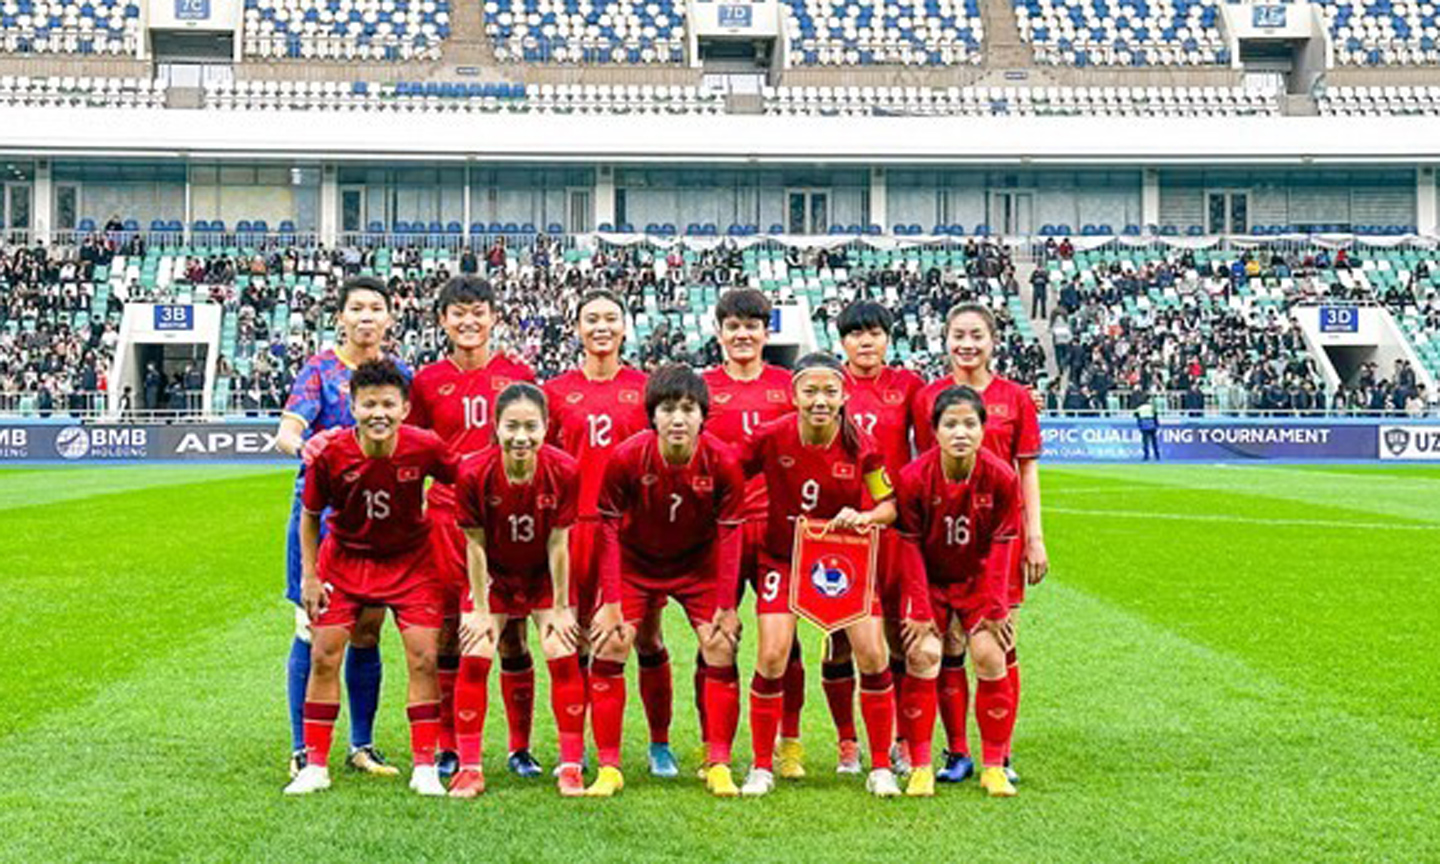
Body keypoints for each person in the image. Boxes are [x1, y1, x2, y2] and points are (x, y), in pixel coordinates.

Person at [284, 360, 459, 796]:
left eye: (387, 404)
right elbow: (309, 516)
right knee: (325, 654)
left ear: (404, 408)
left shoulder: (425, 446)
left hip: (411, 563)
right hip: (344, 561)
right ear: (353, 406)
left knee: (423, 657)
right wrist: (309, 575)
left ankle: (424, 767)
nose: (378, 413)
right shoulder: (331, 453)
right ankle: (316, 765)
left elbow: (466, 482)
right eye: (368, 404)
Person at [737, 352, 900, 798]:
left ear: (845, 394)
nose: (820, 400)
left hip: (839, 561)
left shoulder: (863, 444)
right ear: (794, 396)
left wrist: (865, 518)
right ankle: (761, 765)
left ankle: (880, 765)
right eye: (811, 391)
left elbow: (888, 505)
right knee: (771, 655)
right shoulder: (771, 436)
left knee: (872, 653)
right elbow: (731, 473)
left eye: (830, 391)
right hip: (782, 558)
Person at [585, 365, 747, 797]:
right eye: (668, 409)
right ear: (651, 416)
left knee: (719, 643)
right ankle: (609, 766)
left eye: (688, 409)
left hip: (699, 565)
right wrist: (613, 601)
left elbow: (731, 533)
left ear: (703, 416)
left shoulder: (724, 461)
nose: (678, 418)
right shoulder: (626, 457)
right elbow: (608, 528)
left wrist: (727, 606)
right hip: (637, 563)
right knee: (611, 641)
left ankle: (718, 763)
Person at [274, 277, 410, 780]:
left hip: (379, 522)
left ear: (389, 318)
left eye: (376, 308)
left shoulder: (399, 374)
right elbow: (290, 426)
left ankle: (362, 744)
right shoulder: (320, 370)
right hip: (323, 520)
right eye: (357, 308)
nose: (367, 316)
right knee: (312, 630)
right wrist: (301, 444)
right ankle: (302, 747)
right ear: (341, 317)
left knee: (367, 632)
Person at [407, 276, 541, 781]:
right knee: (448, 634)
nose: (469, 321)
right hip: (445, 521)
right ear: (443, 320)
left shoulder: (518, 375)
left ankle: (519, 747)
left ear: (493, 318)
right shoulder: (426, 382)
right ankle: (447, 746)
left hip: (507, 524)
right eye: (458, 313)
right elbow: (415, 451)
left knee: (512, 635)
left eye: (478, 312)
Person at [912, 302, 1046, 785]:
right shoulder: (927, 396)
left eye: (977, 335)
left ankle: (1000, 753)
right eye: (958, 335)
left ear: (993, 341)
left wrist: (1035, 536)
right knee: (947, 643)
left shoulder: (1016, 398)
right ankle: (958, 751)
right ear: (944, 339)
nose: (967, 344)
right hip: (941, 539)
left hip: (997, 540)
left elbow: (1026, 468)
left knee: (996, 639)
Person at [449, 383, 590, 797]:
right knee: (475, 654)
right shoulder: (473, 471)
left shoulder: (564, 469)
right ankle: (470, 768)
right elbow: (474, 544)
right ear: (496, 427)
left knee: (561, 651)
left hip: (543, 576)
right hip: (493, 574)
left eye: (531, 426)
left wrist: (562, 607)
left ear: (546, 428)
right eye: (512, 426)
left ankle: (570, 767)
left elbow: (559, 542)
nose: (521, 436)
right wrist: (476, 606)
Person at [895, 386, 1023, 798]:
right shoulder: (913, 477)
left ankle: (993, 766)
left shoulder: (1002, 476)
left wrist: (997, 605)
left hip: (979, 579)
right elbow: (909, 543)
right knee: (923, 654)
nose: (960, 432)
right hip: (929, 581)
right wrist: (917, 607)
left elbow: (1004, 542)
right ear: (934, 431)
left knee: (989, 653)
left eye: (970, 423)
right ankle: (919, 765)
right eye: (950, 424)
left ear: (984, 429)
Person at [699, 289, 800, 775]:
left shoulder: (788, 386)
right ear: (719, 333)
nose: (743, 335)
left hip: (780, 528)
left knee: (784, 640)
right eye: (733, 327)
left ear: (766, 332)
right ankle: (711, 745)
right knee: (714, 636)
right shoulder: (702, 388)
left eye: (752, 326)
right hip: (720, 531)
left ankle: (790, 742)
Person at [542, 290, 650, 733]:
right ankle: (574, 743)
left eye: (610, 318)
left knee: (633, 636)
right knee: (571, 637)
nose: (601, 327)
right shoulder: (555, 392)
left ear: (625, 328)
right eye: (592, 320)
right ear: (577, 329)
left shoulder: (645, 389)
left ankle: (653, 744)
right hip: (569, 531)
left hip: (627, 533)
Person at [831, 300, 925, 774]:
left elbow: (943, 430)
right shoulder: (827, 384)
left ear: (889, 338)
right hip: (839, 531)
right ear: (841, 340)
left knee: (896, 634)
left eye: (875, 333)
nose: (865, 342)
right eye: (855, 334)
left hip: (891, 525)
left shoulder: (908, 386)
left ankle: (903, 741)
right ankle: (848, 743)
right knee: (840, 640)